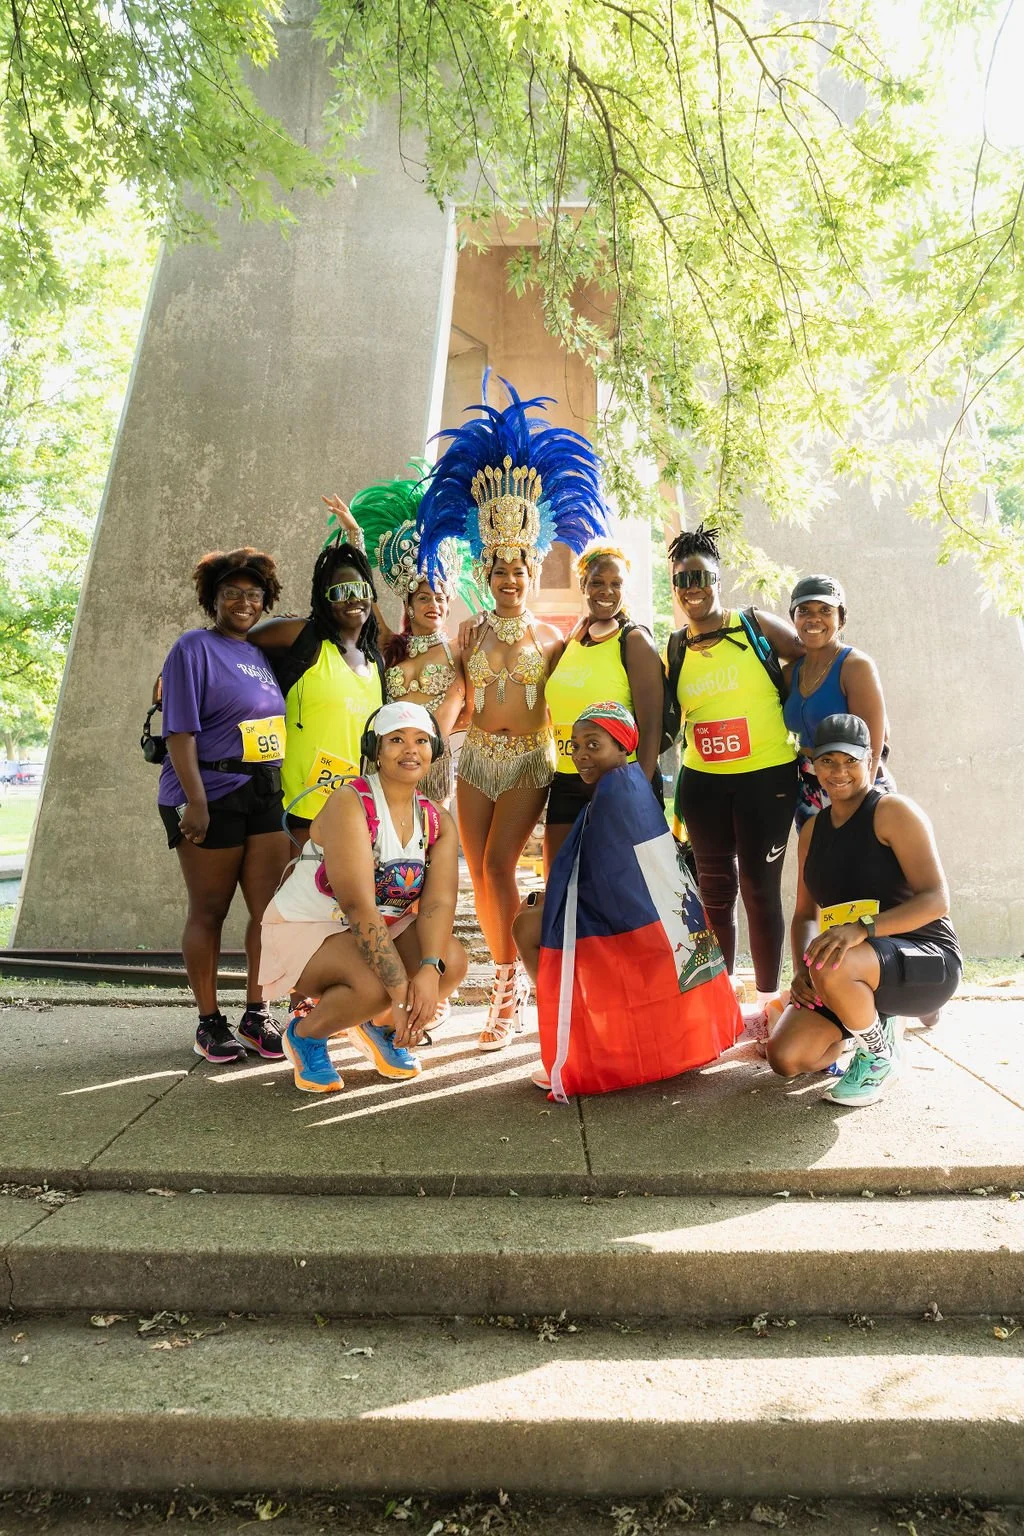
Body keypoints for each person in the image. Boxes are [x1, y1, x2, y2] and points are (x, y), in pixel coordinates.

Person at [416, 373, 608, 1051]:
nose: (507, 578)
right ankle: (504, 985)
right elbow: (456, 700)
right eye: (497, 568)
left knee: (501, 867)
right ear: (486, 570)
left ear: (532, 570)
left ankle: (510, 990)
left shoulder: (553, 642)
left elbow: (579, 696)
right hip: (475, 764)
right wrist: (429, 741)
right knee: (478, 871)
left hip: (529, 761)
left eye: (518, 569)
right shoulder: (468, 634)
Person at [513, 702, 742, 1098]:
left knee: (527, 928)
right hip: (656, 921)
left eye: (593, 744)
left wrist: (547, 904)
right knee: (536, 915)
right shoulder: (629, 784)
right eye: (575, 746)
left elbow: (606, 884)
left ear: (622, 746)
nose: (581, 754)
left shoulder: (615, 796)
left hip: (633, 930)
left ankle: (575, 1034)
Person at [259, 701, 468, 1094]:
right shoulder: (351, 803)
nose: (411, 750)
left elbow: (438, 904)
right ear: (375, 749)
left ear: (435, 750)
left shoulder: (437, 818)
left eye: (422, 740)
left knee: (450, 961)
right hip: (309, 929)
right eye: (396, 740)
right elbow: (358, 908)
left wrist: (426, 970)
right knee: (376, 985)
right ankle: (306, 1034)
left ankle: (378, 1026)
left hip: (376, 930)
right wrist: (402, 995)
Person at [766, 714, 961, 1107]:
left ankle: (879, 1055)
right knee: (786, 1058)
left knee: (835, 966)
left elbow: (936, 899)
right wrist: (803, 970)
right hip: (846, 968)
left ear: (870, 758)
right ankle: (872, 1024)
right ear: (812, 764)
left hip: (923, 958)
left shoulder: (893, 812)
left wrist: (862, 928)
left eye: (850, 760)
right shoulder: (812, 830)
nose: (839, 772)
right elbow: (805, 914)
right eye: (827, 761)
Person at [664, 522, 803, 1026]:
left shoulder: (756, 626)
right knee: (715, 891)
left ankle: (768, 1002)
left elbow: (814, 658)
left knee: (760, 888)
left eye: (701, 576)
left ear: (718, 579)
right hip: (704, 783)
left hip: (766, 779)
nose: (692, 588)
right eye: (682, 580)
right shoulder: (675, 648)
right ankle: (722, 999)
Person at [157, 548, 291, 1064]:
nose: (244, 602)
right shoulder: (194, 647)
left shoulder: (259, 654)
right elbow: (180, 730)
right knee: (210, 910)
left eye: (254, 595)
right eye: (232, 593)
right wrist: (195, 800)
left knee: (267, 913)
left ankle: (257, 1013)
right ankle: (208, 1021)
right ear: (212, 598)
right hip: (207, 793)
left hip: (261, 792)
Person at [340, 466, 482, 805]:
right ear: (409, 604)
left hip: (433, 766)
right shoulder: (391, 645)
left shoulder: (460, 649)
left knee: (430, 847)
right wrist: (355, 537)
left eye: (440, 597)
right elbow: (366, 596)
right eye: (423, 597)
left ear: (448, 606)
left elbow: (474, 708)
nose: (433, 603)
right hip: (385, 763)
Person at [249, 540, 384, 843]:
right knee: (294, 888)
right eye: (340, 592)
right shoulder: (301, 637)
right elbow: (229, 639)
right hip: (293, 808)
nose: (352, 599)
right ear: (325, 601)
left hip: (349, 811)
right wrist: (178, 669)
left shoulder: (376, 660)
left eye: (360, 590)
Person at [543, 542, 665, 871]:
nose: (606, 591)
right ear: (583, 585)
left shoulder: (635, 640)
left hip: (617, 781)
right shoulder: (571, 641)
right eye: (597, 582)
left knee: (619, 888)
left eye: (616, 584)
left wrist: (635, 790)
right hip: (567, 777)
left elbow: (652, 725)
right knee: (560, 886)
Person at [783, 574, 893, 828]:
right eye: (804, 611)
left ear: (841, 619)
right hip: (810, 792)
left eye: (825, 610)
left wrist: (861, 803)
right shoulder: (790, 674)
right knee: (819, 867)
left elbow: (875, 746)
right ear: (794, 618)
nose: (813, 619)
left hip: (854, 788)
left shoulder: (855, 666)